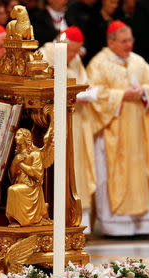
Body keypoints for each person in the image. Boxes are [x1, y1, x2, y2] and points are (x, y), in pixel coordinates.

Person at [86, 21, 149, 236]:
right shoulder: (99, 63)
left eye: (130, 40)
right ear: (111, 42)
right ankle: (115, 226)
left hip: (138, 134)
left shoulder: (138, 62)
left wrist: (144, 91)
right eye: (124, 41)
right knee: (112, 174)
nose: (129, 45)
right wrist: (121, 95)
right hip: (113, 133)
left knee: (140, 173)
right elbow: (92, 93)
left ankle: (141, 223)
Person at [40, 26, 95, 234]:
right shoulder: (46, 55)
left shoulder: (75, 59)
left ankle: (80, 216)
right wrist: (74, 95)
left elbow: (84, 82)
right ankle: (57, 215)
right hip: (56, 121)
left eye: (76, 52)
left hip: (78, 122)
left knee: (78, 168)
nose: (72, 56)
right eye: (70, 51)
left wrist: (87, 92)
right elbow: (44, 87)